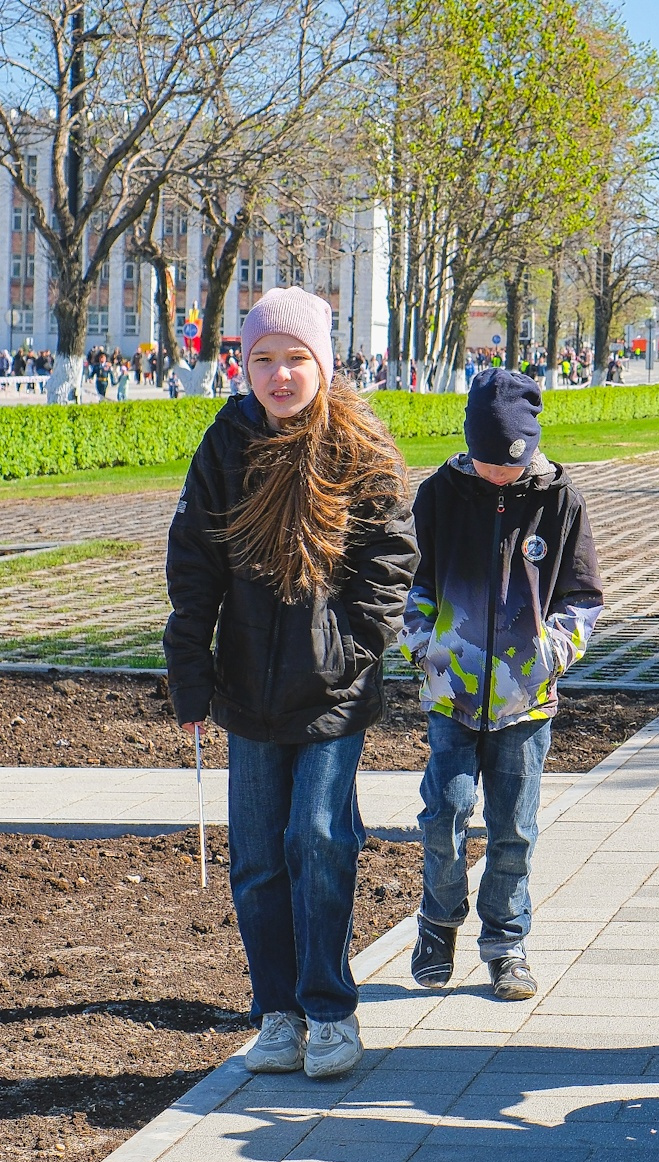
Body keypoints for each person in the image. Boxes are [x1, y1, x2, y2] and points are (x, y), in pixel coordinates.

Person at [164, 286, 418, 1081]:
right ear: (244, 366)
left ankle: (331, 1011)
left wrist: (350, 647)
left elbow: (390, 563)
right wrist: (190, 669)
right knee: (257, 858)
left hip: (331, 692)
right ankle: (277, 1013)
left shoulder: (359, 450)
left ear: (323, 364)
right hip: (245, 690)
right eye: (263, 360)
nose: (279, 376)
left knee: (318, 838)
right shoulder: (226, 445)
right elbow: (193, 562)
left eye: (295, 359)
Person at [400, 367, 604, 999]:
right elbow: (413, 582)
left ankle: (506, 942)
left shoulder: (560, 501)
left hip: (527, 702)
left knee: (514, 829)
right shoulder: (439, 495)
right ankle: (438, 924)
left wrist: (551, 653)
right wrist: (424, 648)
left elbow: (583, 596)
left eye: (510, 464)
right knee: (446, 813)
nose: (498, 475)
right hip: (451, 695)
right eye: (487, 462)